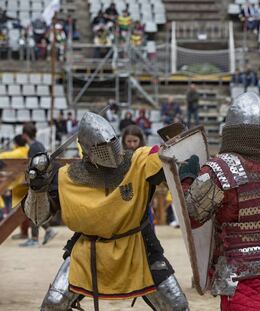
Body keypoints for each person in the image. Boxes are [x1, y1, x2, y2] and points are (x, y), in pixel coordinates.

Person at [23, 112, 189, 311]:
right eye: (102, 148)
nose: (110, 151)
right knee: (54, 303)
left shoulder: (138, 160)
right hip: (87, 249)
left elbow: (162, 157)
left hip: (138, 246)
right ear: (86, 150)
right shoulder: (66, 177)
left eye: (113, 143)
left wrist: (177, 146)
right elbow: (38, 217)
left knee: (177, 305)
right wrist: (37, 187)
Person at [179, 92, 260, 311]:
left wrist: (186, 180)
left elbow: (191, 216)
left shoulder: (220, 170)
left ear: (229, 132)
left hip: (239, 277)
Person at [20, 122, 57, 247]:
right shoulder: (39, 145)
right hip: (45, 181)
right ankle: (47, 230)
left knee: (33, 208)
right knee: (35, 208)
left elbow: (32, 168)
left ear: (25, 135)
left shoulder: (33, 148)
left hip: (38, 183)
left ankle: (35, 239)